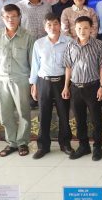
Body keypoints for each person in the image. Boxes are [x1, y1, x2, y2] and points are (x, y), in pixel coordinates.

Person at [0, 4, 34, 157]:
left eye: (13, 16)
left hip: (21, 80)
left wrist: (33, 83)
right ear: (2, 18)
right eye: (7, 17)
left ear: (19, 17)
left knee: (23, 113)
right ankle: (12, 143)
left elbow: (33, 62)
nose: (10, 20)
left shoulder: (28, 36)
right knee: (5, 114)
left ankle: (22, 142)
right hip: (1, 81)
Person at [62, 16, 102, 161]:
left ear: (91, 29)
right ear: (75, 29)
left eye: (86, 28)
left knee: (96, 119)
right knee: (79, 119)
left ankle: (97, 147)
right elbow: (68, 67)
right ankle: (83, 146)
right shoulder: (70, 45)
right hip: (75, 87)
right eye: (79, 28)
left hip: (93, 87)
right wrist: (66, 86)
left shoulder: (99, 45)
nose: (82, 31)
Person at [30, 13, 74, 159]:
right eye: (49, 24)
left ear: (60, 25)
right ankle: (43, 146)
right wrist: (34, 84)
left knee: (64, 114)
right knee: (44, 114)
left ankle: (65, 144)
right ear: (45, 27)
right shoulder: (39, 44)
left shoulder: (68, 42)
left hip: (62, 82)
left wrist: (68, 85)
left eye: (55, 24)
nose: (53, 27)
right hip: (44, 82)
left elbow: (70, 65)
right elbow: (35, 65)